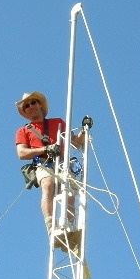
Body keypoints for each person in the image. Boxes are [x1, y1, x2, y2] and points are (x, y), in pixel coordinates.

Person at [14, 91, 86, 238]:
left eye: (33, 102)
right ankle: (50, 226)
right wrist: (45, 149)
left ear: (40, 105)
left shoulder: (58, 123)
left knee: (69, 192)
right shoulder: (23, 131)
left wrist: (84, 130)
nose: (30, 106)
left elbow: (75, 143)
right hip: (43, 164)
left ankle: (69, 228)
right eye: (26, 106)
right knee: (47, 185)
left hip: (62, 164)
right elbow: (21, 153)